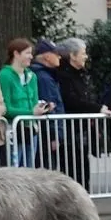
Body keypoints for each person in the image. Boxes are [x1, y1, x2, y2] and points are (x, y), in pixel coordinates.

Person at [57, 38, 111, 192]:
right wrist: (97, 109)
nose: (86, 56)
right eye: (83, 53)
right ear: (72, 55)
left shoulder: (81, 74)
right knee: (73, 168)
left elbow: (86, 96)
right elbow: (71, 100)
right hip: (71, 130)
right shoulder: (64, 76)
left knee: (83, 166)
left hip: (82, 130)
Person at [0, 38, 53, 168]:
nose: (31, 56)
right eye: (27, 53)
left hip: (31, 130)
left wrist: (42, 107)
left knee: (30, 169)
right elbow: (6, 107)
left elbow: (34, 102)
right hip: (13, 130)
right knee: (14, 169)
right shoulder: (5, 75)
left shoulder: (32, 76)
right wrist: (30, 113)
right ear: (16, 54)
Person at [30, 39, 65, 170]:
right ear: (47, 56)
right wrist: (55, 135)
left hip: (46, 133)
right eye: (56, 53)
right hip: (47, 135)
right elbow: (50, 107)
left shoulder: (46, 75)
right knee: (48, 169)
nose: (59, 57)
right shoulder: (44, 78)